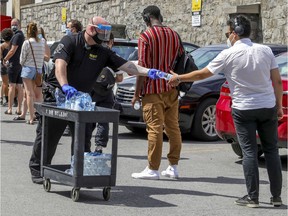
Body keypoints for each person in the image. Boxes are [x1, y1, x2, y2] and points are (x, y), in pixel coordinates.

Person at [29, 16, 164, 184]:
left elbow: (126, 65)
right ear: (92, 29)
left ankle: (79, 171)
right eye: (103, 33)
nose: (105, 38)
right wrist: (64, 85)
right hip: (59, 94)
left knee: (83, 137)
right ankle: (37, 168)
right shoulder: (70, 41)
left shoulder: (102, 51)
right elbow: (60, 65)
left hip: (81, 99)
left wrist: (148, 71)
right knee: (49, 134)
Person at [168, 15, 283, 208]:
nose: (227, 37)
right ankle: (276, 197)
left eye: (228, 33)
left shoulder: (228, 54)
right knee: (271, 150)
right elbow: (277, 81)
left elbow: (204, 73)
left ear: (235, 34)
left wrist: (179, 78)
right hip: (267, 105)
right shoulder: (265, 51)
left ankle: (252, 197)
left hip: (243, 107)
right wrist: (279, 105)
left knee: (249, 152)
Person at [131, 5, 182, 180]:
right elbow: (180, 58)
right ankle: (173, 167)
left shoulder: (146, 36)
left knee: (154, 129)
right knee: (173, 128)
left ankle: (153, 169)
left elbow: (142, 68)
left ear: (146, 19)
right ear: (160, 16)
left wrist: (137, 93)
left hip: (153, 89)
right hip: (171, 87)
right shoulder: (174, 34)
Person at [85, 32, 124, 153]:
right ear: (111, 42)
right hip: (106, 94)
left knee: (88, 119)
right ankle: (99, 147)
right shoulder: (112, 56)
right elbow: (120, 78)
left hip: (91, 92)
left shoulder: (93, 52)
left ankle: (85, 144)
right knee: (103, 121)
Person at [18, 22, 45, 125]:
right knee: (34, 92)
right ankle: (35, 114)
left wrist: (23, 64)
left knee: (29, 94)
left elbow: (22, 59)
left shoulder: (27, 42)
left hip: (28, 69)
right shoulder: (42, 41)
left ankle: (31, 116)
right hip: (38, 69)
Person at [3, 18, 25, 116]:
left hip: (13, 64)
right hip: (20, 64)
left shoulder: (16, 36)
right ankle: (19, 109)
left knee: (11, 86)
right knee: (19, 87)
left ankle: (10, 108)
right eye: (12, 24)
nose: (13, 26)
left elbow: (12, 50)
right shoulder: (22, 35)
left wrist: (5, 59)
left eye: (15, 24)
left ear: (19, 24)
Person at [0, 28, 14, 106]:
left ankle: (7, 100)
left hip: (3, 65)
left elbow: (0, 56)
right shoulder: (12, 45)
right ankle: (14, 100)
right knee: (13, 84)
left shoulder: (2, 46)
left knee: (5, 84)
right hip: (11, 65)